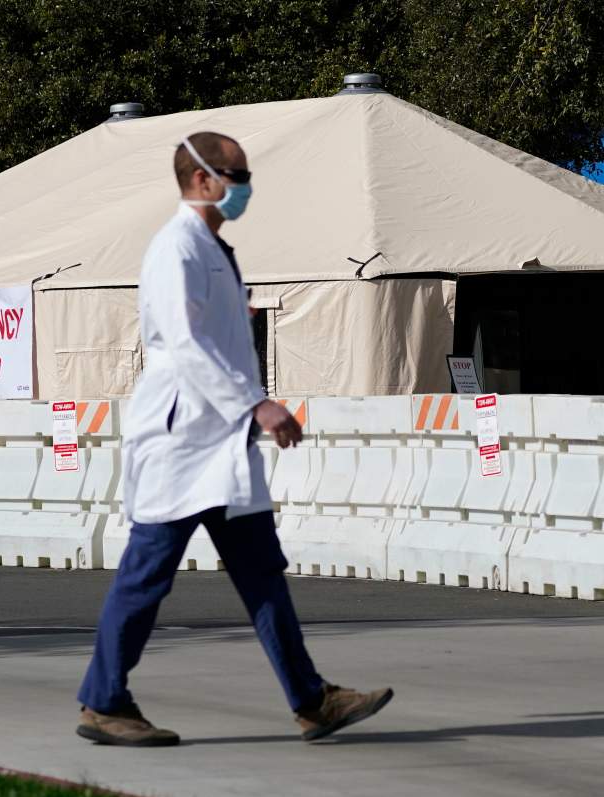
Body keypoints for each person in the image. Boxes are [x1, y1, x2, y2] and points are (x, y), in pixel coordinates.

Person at [76, 131, 392, 747]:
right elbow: (183, 344)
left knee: (262, 573)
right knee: (147, 574)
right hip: (179, 442)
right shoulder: (177, 248)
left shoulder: (214, 250)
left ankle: (311, 700)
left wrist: (250, 409)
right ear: (201, 179)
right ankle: (103, 700)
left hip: (220, 444)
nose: (245, 185)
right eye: (236, 173)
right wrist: (258, 404)